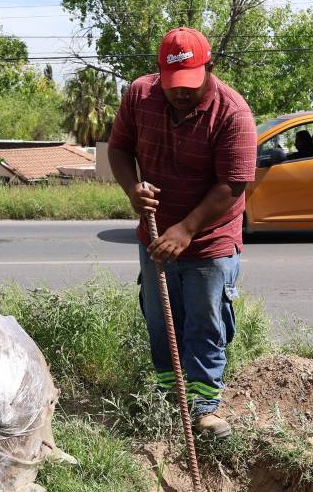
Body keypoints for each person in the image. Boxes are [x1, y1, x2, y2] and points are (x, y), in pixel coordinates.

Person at [108, 27, 257, 439]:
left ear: (208, 68)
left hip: (209, 240)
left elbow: (234, 183)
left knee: (204, 325)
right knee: (161, 320)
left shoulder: (233, 112)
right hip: (156, 236)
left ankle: (204, 408)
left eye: (191, 84)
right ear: (159, 74)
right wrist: (132, 189)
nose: (181, 94)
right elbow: (118, 149)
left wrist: (188, 228)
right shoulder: (140, 95)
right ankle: (168, 402)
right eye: (174, 86)